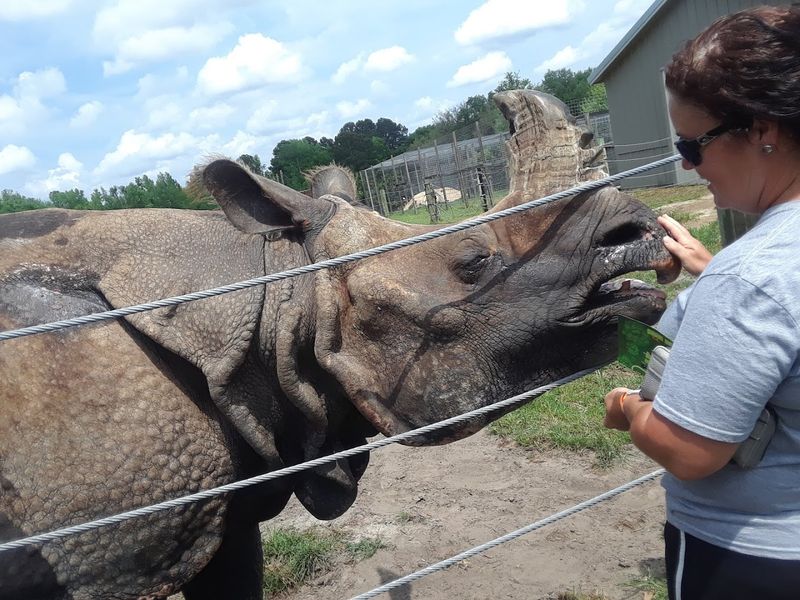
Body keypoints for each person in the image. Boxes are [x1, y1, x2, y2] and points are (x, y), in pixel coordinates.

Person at [602, 6, 800, 599]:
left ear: (762, 131)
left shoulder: (755, 276)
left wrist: (628, 410)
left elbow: (689, 451)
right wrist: (713, 278)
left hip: (754, 558)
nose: (687, 164)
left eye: (694, 143)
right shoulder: (757, 275)